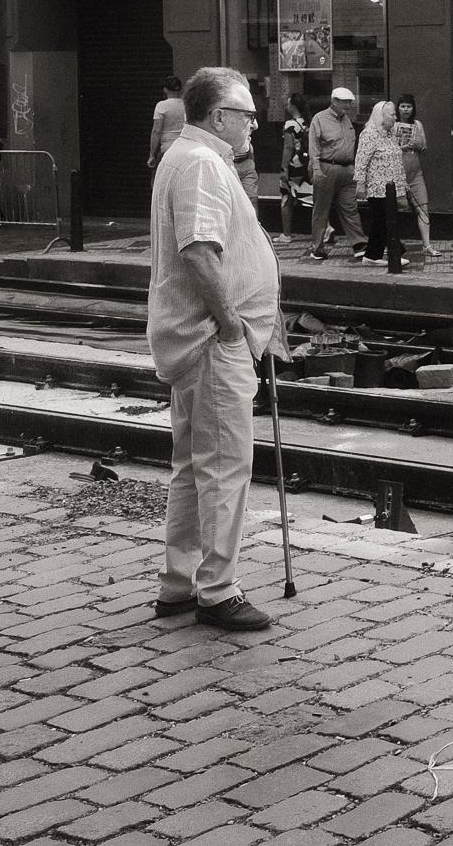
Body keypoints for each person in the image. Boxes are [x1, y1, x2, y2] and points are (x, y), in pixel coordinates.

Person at [147, 66, 282, 631]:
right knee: (225, 467)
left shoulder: (188, 157)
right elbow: (201, 251)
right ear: (218, 116)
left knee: (190, 466)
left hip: (195, 339)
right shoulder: (202, 163)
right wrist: (232, 325)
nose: (254, 121)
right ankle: (217, 589)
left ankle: (179, 582)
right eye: (246, 112)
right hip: (211, 341)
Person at [306, 87, 363, 260]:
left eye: (349, 102)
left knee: (350, 207)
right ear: (334, 101)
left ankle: (359, 243)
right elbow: (314, 146)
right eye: (345, 102)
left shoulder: (347, 120)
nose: (348, 105)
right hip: (326, 168)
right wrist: (316, 169)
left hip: (347, 170)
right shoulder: (320, 119)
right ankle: (317, 247)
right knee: (321, 210)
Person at [352, 101, 407, 268]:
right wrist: (360, 184)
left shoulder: (391, 135)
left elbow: (397, 160)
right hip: (377, 188)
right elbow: (361, 160)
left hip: (391, 189)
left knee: (385, 221)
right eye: (392, 114)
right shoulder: (369, 134)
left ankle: (380, 254)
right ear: (381, 117)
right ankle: (383, 254)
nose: (395, 117)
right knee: (382, 221)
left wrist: (403, 184)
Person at [394, 94, 434, 256]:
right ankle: (390, 244)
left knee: (423, 207)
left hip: (415, 173)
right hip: (396, 173)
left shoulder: (417, 124)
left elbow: (424, 147)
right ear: (397, 108)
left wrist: (417, 144)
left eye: (408, 106)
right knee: (393, 209)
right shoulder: (392, 125)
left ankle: (427, 245)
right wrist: (400, 147)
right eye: (402, 106)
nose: (405, 109)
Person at [276, 93, 310, 244]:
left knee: (286, 197)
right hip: (306, 165)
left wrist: (284, 168)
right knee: (311, 196)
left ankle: (286, 234)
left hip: (293, 166)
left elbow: (288, 148)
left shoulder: (290, 125)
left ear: (294, 107)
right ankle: (327, 227)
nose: (286, 106)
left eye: (288, 104)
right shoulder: (308, 123)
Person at [147, 75, 185, 171]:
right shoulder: (186, 105)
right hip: (185, 148)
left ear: (165, 89)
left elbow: (156, 131)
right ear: (180, 89)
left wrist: (152, 155)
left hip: (167, 149)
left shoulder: (162, 106)